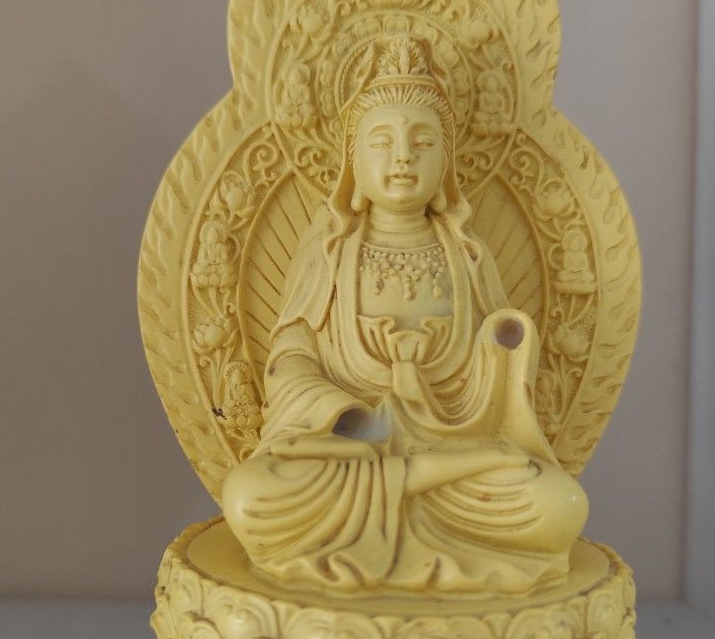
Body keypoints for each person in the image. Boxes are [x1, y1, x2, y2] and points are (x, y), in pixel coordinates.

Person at [222, 37, 588, 592]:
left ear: (446, 163)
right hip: (350, 456)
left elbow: (495, 391)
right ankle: (407, 496)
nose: (402, 158)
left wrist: (502, 353)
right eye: (381, 142)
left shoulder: (468, 256)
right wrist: (348, 415)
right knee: (250, 496)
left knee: (559, 504)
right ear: (353, 162)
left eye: (423, 143)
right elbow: (290, 360)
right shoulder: (329, 253)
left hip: (453, 453)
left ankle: (411, 499)